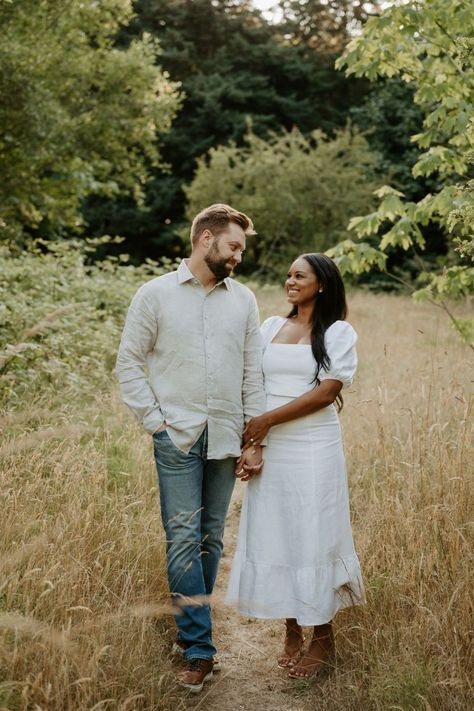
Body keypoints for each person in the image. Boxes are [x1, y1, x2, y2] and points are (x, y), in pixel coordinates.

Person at [116, 204, 265, 693]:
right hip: (175, 434)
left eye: (240, 248)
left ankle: (191, 634)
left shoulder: (243, 300)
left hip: (224, 436)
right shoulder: (154, 294)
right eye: (233, 246)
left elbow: (251, 373)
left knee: (211, 540)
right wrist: (156, 423)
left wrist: (253, 437)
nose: (238, 256)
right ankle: (199, 648)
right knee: (182, 539)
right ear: (206, 239)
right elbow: (129, 363)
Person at [226, 252, 364, 679]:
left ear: (321, 284)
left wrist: (267, 419)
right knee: (279, 532)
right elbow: (256, 387)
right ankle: (291, 628)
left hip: (312, 447)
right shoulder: (271, 327)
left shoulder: (338, 332)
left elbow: (326, 394)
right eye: (288, 275)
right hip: (275, 446)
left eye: (299, 276)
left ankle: (323, 639)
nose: (290, 281)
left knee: (312, 533)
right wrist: (255, 442)